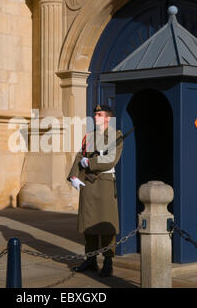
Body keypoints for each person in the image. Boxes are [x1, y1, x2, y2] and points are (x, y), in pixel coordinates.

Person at [67, 104, 123, 277]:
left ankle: (108, 261)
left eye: (99, 114)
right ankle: (90, 259)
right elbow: (79, 155)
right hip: (89, 183)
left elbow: (111, 160)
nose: (96, 117)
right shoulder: (90, 136)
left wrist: (90, 163)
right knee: (89, 225)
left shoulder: (116, 135)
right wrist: (73, 176)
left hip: (104, 184)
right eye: (95, 115)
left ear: (107, 118)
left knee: (106, 225)